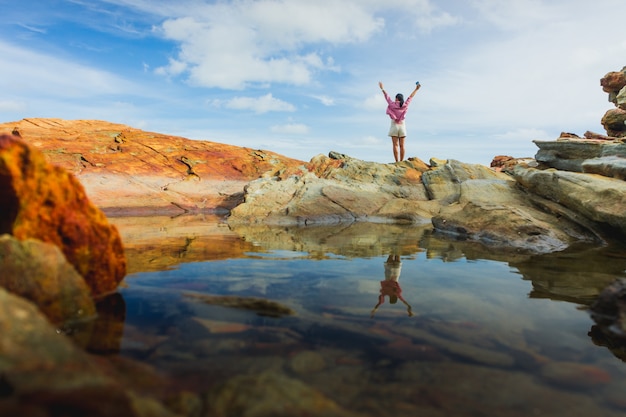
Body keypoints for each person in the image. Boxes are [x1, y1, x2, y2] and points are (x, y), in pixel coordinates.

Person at [379, 81, 421, 162]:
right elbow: (410, 97)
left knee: (395, 145)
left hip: (394, 125)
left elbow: (387, 97)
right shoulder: (405, 105)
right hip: (402, 126)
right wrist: (416, 89)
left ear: (396, 98)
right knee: (402, 145)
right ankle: (401, 161)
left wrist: (382, 88)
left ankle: (397, 162)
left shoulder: (392, 104)